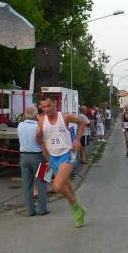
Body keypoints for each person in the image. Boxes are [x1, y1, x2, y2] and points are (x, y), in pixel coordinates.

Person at [36, 94, 87, 228]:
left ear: (54, 104)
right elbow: (39, 141)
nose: (47, 109)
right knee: (68, 187)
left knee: (58, 186)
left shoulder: (64, 117)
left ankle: (76, 208)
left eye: (49, 105)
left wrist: (77, 139)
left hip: (67, 154)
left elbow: (82, 123)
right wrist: (38, 134)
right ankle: (80, 210)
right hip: (53, 157)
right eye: (44, 107)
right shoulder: (41, 120)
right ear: (41, 107)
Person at [17, 106, 48, 216]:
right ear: (36, 115)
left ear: (25, 114)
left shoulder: (20, 125)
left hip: (24, 157)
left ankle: (30, 210)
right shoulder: (39, 127)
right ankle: (42, 209)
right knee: (41, 183)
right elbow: (43, 144)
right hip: (38, 156)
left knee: (27, 184)